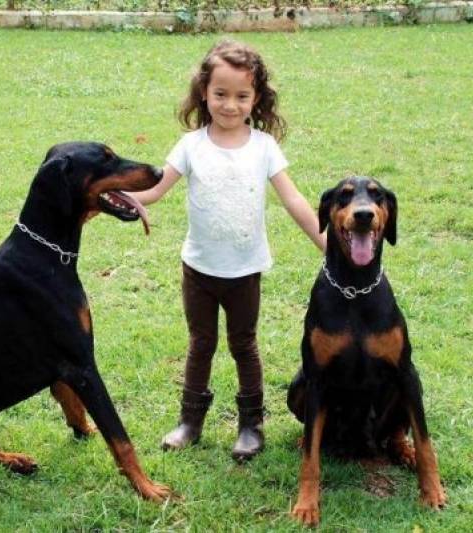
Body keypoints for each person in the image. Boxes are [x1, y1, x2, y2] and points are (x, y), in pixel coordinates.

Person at [131, 40, 325, 462]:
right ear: (205, 91)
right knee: (201, 343)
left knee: (244, 344)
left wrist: (324, 241)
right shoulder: (190, 145)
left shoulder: (264, 147)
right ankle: (190, 422)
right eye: (221, 94)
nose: (230, 105)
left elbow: (292, 199)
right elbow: (158, 188)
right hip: (199, 268)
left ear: (257, 98)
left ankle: (251, 426)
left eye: (241, 96)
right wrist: (121, 197)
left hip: (244, 271)